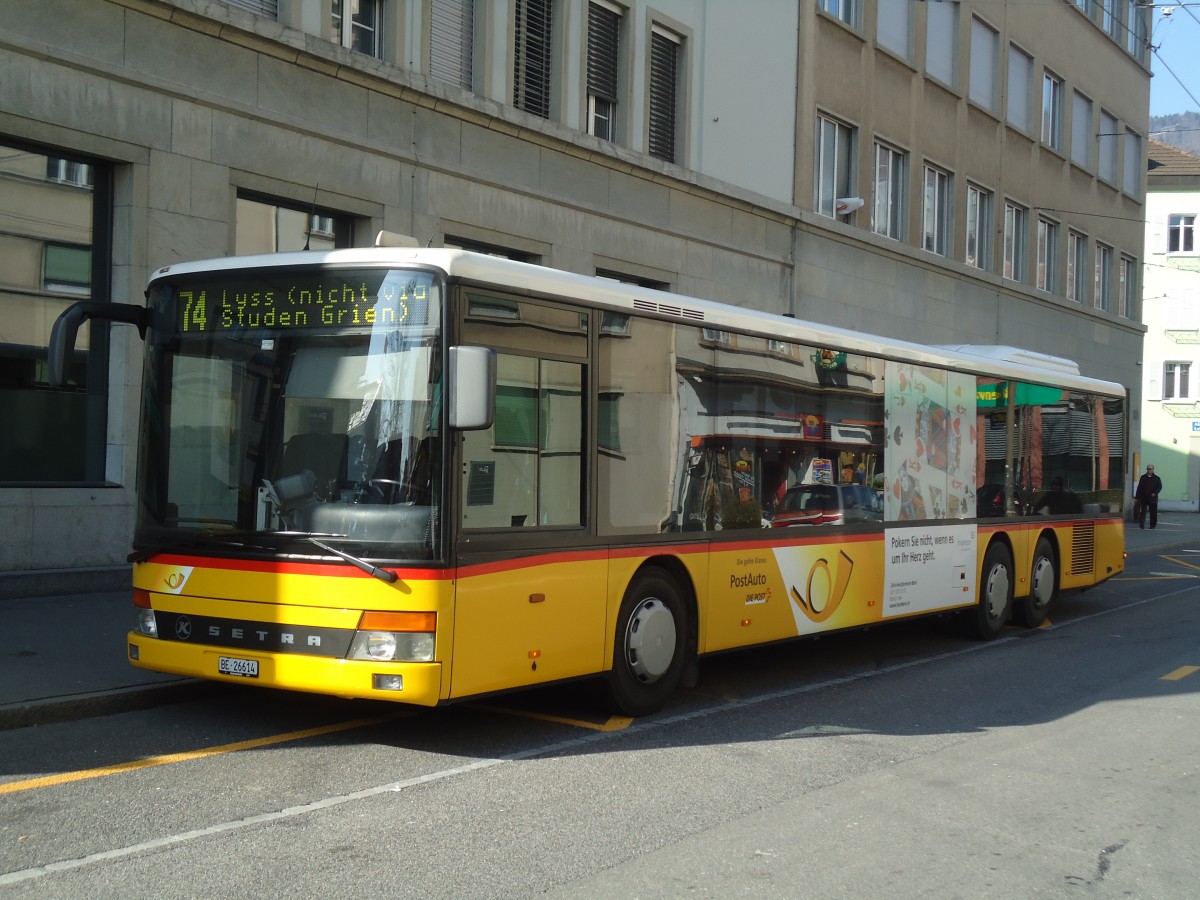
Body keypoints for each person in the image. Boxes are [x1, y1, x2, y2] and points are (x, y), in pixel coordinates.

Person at [1135, 464, 1163, 529]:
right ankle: (1142, 523)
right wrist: (1137, 497)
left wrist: (1155, 493)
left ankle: (1152, 525)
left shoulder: (1157, 478)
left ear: (1153, 470)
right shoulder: (1143, 477)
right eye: (1147, 469)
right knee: (1143, 511)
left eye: (1150, 469)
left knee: (1153, 512)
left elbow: (1159, 487)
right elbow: (1139, 487)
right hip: (1144, 497)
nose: (1148, 470)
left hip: (1152, 498)